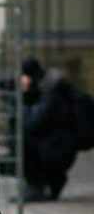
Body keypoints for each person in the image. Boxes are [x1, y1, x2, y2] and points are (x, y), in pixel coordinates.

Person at [21, 57, 78, 201]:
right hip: (55, 147)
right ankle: (52, 181)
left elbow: (33, 124)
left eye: (24, 76)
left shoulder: (50, 96)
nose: (21, 81)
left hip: (59, 149)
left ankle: (38, 185)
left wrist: (23, 105)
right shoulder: (41, 94)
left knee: (23, 141)